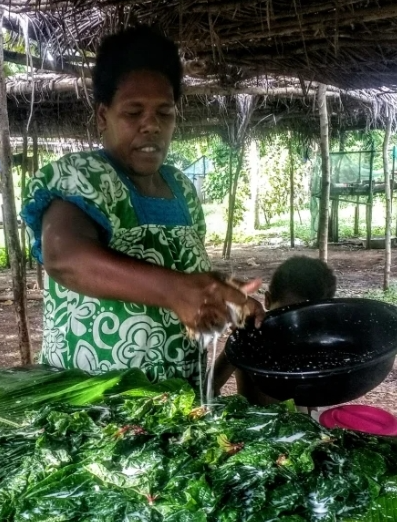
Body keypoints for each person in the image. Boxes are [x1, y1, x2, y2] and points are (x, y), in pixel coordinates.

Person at [21, 26, 261, 384]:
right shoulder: (82, 177)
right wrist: (176, 292)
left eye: (164, 113)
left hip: (178, 405)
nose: (150, 126)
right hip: (92, 408)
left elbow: (179, 270)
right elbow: (64, 257)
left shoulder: (181, 188)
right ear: (103, 116)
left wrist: (221, 293)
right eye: (133, 113)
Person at [213, 256, 337, 404]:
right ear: (268, 300)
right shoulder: (251, 336)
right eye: (286, 315)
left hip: (306, 424)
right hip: (259, 424)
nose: (294, 326)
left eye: (306, 320)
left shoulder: (321, 341)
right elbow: (211, 385)